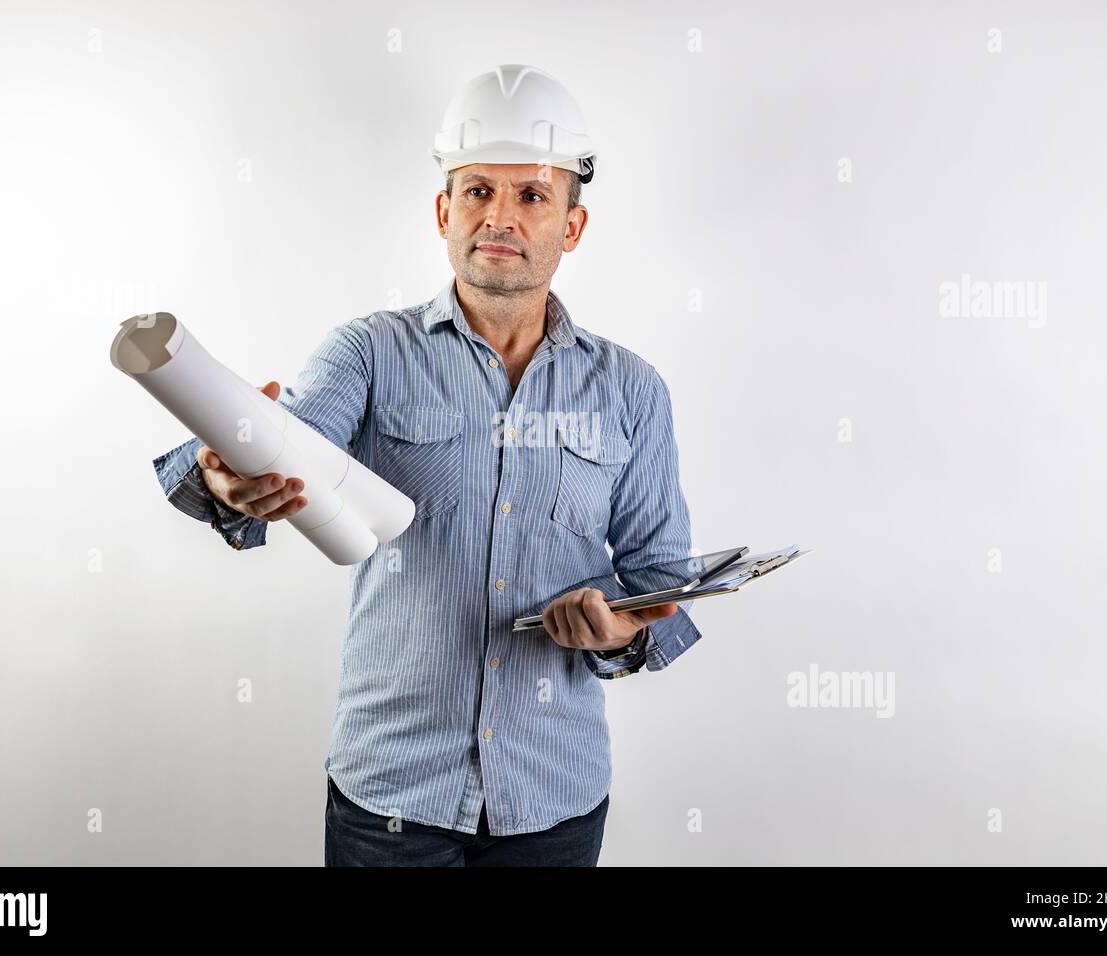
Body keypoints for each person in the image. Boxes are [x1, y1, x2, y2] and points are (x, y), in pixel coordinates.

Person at [151, 64, 702, 866]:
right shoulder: (369, 353)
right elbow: (278, 449)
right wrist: (227, 475)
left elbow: (663, 578)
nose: (499, 218)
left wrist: (617, 634)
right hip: (392, 801)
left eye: (532, 196)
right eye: (477, 191)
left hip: (553, 799)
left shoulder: (633, 391)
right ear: (444, 212)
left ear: (572, 226)